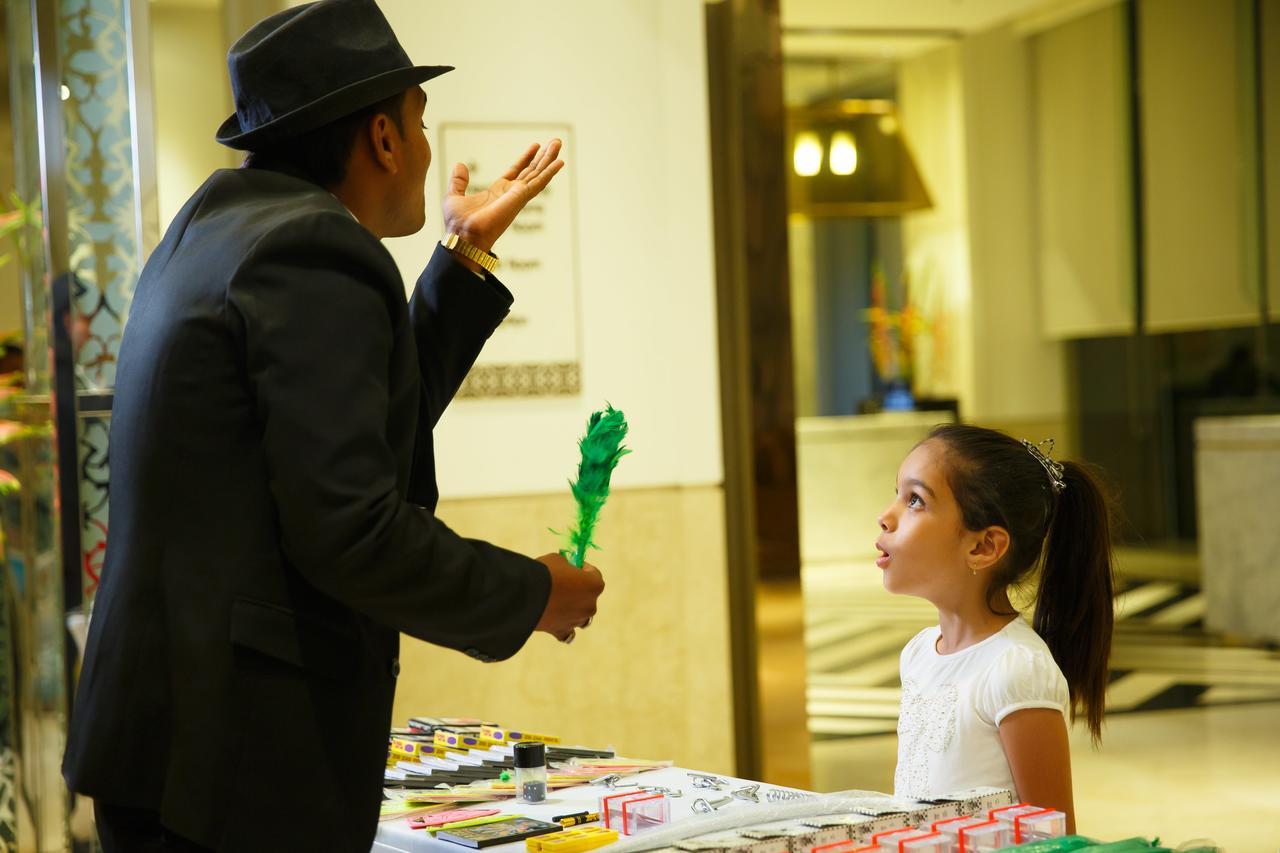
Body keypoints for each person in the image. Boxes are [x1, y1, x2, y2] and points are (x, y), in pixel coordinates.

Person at [61, 1, 604, 850]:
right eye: (419, 125)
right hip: (234, 765)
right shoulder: (313, 249)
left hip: (164, 748)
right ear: (384, 138)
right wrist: (533, 594)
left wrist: (464, 260)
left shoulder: (217, 226)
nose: (426, 151)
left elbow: (365, 418)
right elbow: (352, 531)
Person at [875, 424, 1115, 832]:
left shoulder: (1016, 670)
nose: (886, 517)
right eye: (897, 494)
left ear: (984, 547)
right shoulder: (918, 654)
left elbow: (1053, 840)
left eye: (915, 500)